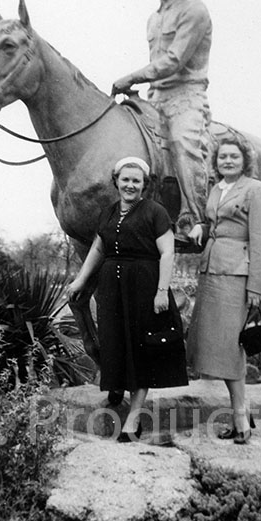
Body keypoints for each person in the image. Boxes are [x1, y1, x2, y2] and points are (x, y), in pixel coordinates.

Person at [68, 156, 188, 442]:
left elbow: (167, 253)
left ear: (144, 185)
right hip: (112, 287)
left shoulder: (155, 212)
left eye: (136, 181)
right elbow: (99, 247)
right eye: (125, 180)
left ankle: (133, 419)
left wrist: (161, 291)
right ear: (116, 182)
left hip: (144, 286)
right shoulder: (109, 212)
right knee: (114, 341)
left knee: (140, 349)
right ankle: (115, 387)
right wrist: (81, 279)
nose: (130, 185)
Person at [111, 0, 212, 244]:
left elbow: (173, 60)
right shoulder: (153, 19)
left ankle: (195, 218)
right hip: (156, 97)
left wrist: (132, 76)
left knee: (183, 143)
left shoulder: (194, 9)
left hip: (186, 96)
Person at [187, 133, 261, 444]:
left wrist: (256, 288)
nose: (227, 161)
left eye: (234, 156)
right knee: (219, 349)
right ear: (216, 161)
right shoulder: (217, 189)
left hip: (237, 276)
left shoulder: (256, 190)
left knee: (230, 349)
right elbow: (218, 225)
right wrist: (201, 226)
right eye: (222, 156)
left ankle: (241, 422)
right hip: (211, 272)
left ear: (245, 160)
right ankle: (243, 415)